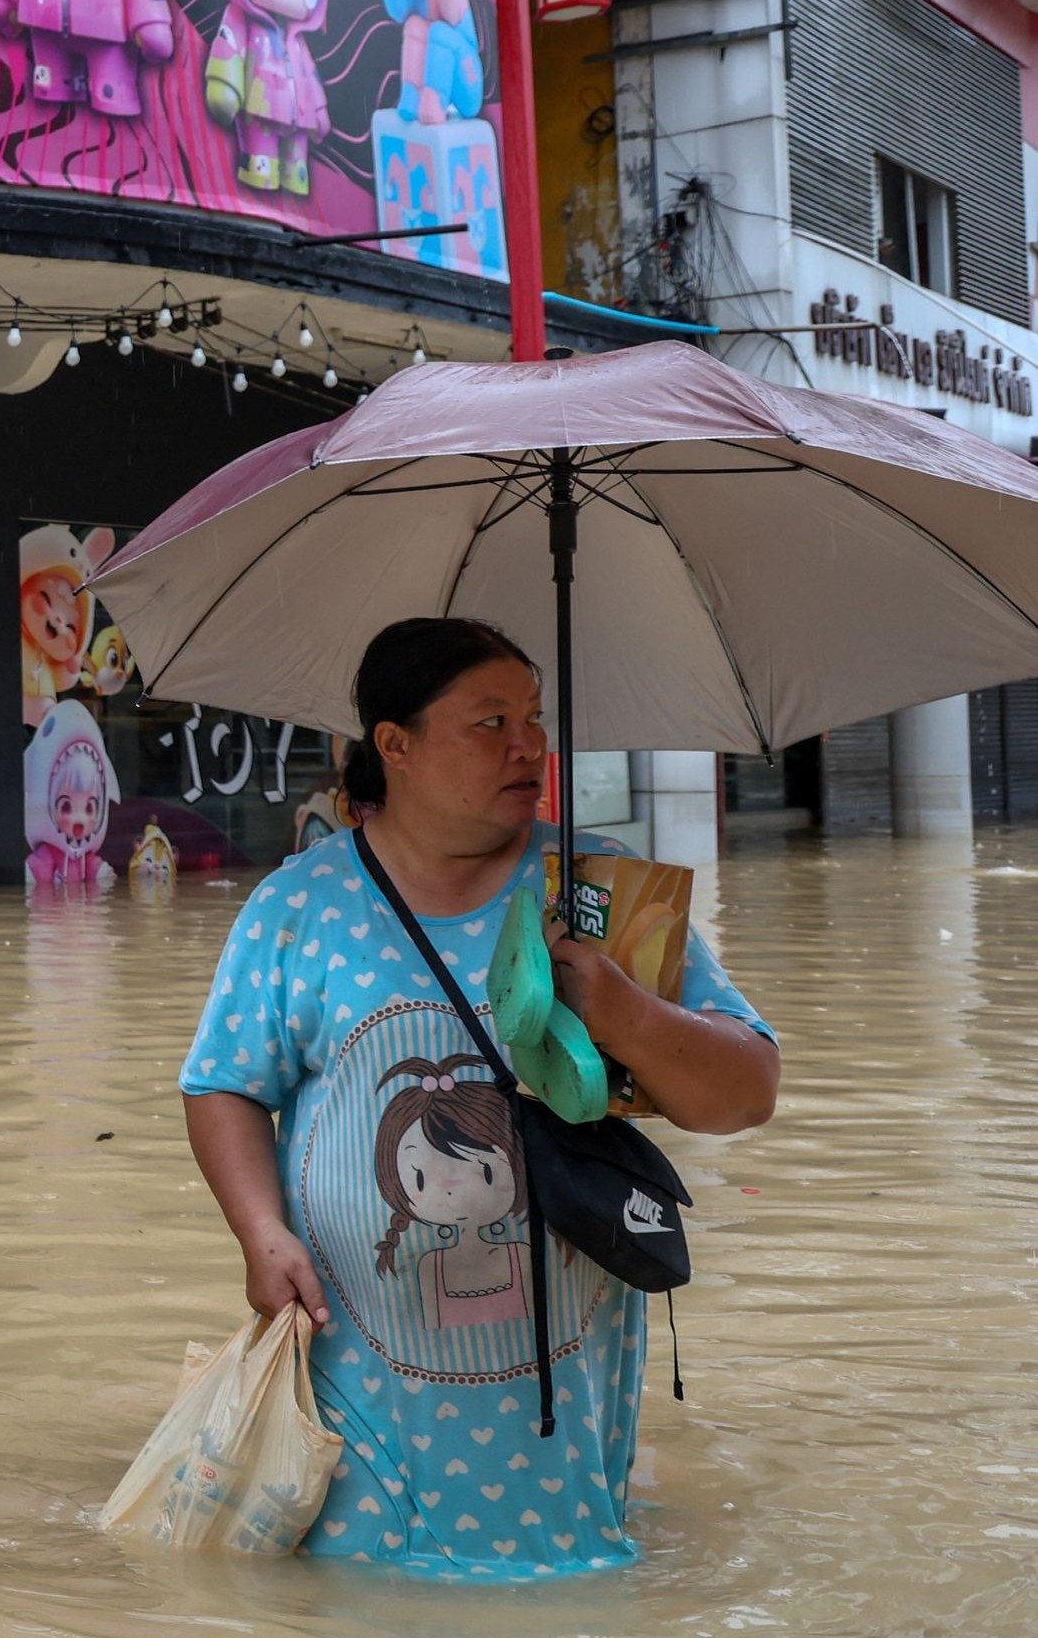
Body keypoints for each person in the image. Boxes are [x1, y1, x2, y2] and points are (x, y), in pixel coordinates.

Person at [180, 617, 780, 1579]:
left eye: (535, 717)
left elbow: (745, 1092)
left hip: (565, 1402)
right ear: (396, 744)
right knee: (364, 1589)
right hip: (356, 1390)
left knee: (564, 1585)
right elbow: (222, 1084)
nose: (529, 745)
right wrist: (261, 1232)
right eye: (489, 721)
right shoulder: (299, 906)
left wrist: (621, 1010)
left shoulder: (598, 896)